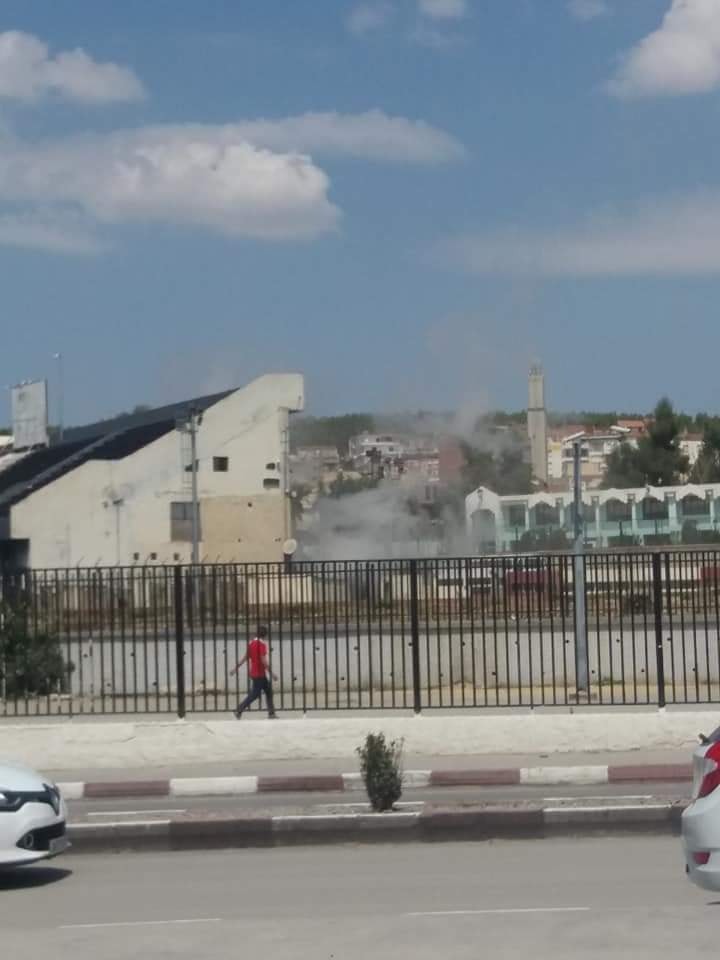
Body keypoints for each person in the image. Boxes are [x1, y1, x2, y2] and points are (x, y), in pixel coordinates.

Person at [231, 626, 278, 719]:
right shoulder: (262, 644)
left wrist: (235, 668)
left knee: (268, 691)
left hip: (255, 673)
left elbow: (245, 657)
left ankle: (271, 713)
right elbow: (263, 660)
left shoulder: (251, 643)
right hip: (259, 674)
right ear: (265, 635)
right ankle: (238, 710)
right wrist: (272, 674)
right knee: (255, 694)